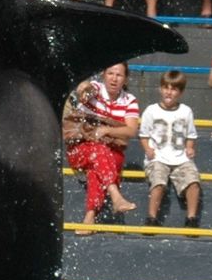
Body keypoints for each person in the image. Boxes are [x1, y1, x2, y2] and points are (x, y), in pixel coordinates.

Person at [66, 63, 139, 223]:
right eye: (110, 73)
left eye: (119, 75)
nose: (114, 78)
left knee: (98, 166)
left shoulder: (129, 100)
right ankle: (116, 196)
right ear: (103, 75)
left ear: (125, 79)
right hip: (80, 149)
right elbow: (85, 88)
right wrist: (83, 90)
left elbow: (131, 130)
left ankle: (90, 216)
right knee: (99, 151)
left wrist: (107, 131)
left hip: (109, 152)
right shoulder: (96, 89)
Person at [139, 70, 201, 228]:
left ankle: (192, 218)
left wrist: (189, 148)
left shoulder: (186, 111)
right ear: (160, 89)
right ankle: (151, 217)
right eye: (166, 87)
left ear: (180, 92)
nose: (169, 92)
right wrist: (148, 149)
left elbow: (191, 135)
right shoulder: (151, 110)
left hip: (180, 157)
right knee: (158, 181)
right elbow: (144, 134)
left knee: (193, 181)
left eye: (174, 89)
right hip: (158, 156)